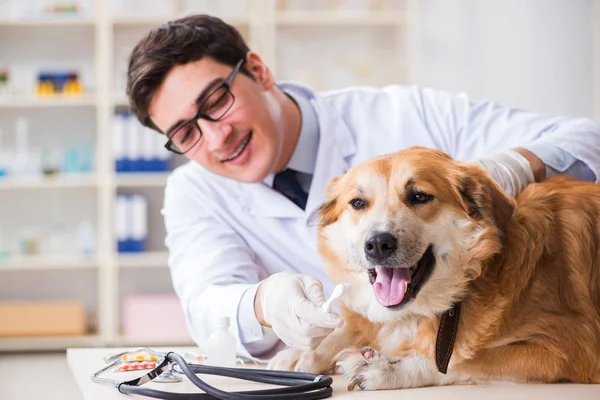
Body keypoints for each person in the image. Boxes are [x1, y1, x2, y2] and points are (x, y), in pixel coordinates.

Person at [126, 14, 600, 361]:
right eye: (187, 132)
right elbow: (207, 306)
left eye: (216, 101)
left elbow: (588, 140)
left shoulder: (404, 113)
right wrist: (263, 303)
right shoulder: (194, 191)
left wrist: (512, 165)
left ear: (259, 71)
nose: (216, 136)